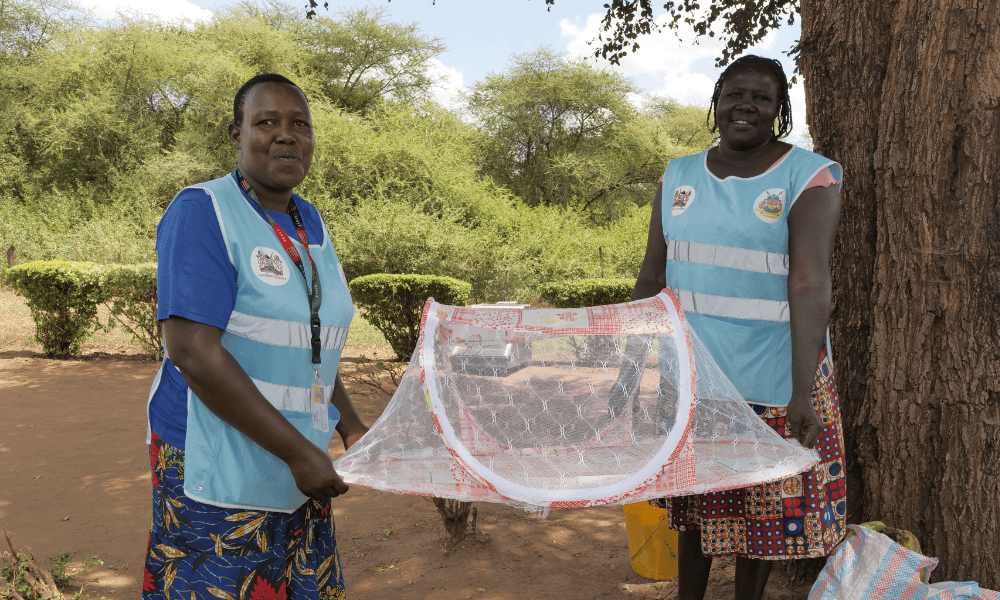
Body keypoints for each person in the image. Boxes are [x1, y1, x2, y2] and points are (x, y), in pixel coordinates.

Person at [142, 74, 368, 600]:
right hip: (217, 460)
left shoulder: (307, 219)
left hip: (296, 461)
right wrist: (298, 454)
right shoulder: (203, 211)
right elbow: (192, 353)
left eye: (300, 125)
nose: (286, 136)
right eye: (266, 122)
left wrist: (350, 424)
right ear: (235, 134)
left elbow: (309, 338)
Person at [631, 55, 845, 600]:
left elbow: (809, 282)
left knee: (763, 513)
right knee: (696, 506)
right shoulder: (677, 174)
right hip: (695, 375)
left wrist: (803, 389)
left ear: (778, 111)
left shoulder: (808, 174)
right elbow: (652, 274)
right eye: (735, 94)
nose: (745, 105)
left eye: (762, 98)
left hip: (774, 373)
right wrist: (635, 365)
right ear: (717, 101)